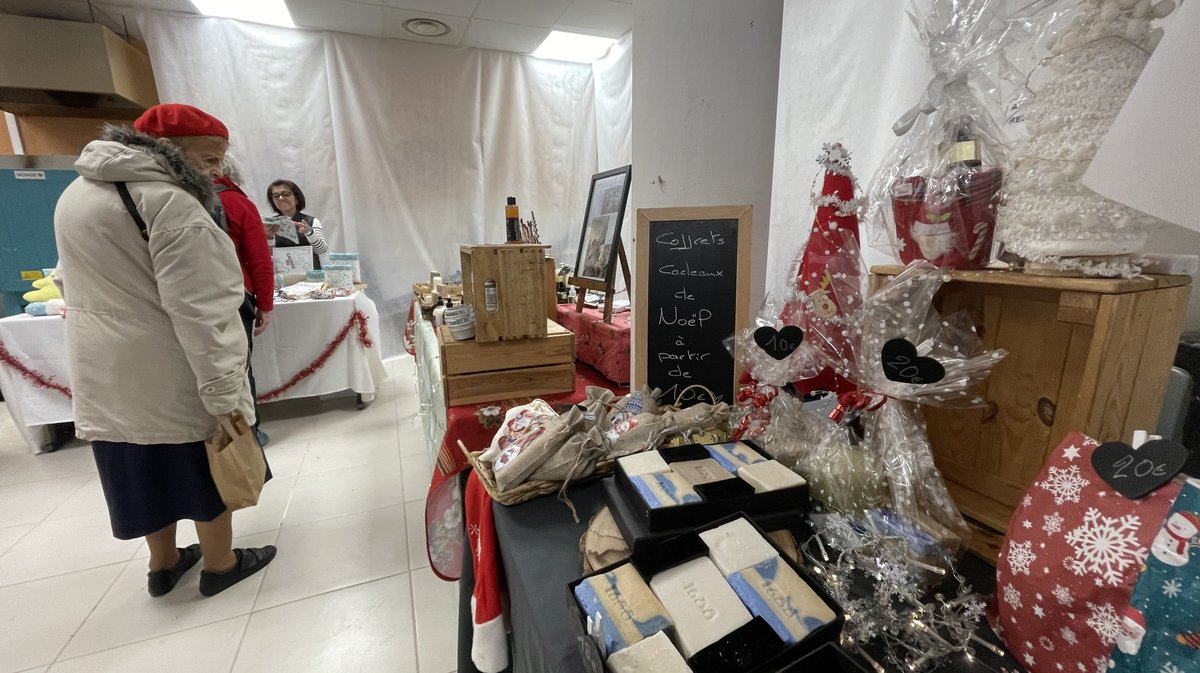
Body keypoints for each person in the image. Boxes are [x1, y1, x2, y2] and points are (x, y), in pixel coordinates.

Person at [53, 103, 276, 598]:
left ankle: (164, 562)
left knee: (139, 463)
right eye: (208, 158)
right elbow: (203, 310)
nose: (216, 170)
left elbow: (68, 282)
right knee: (201, 460)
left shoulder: (75, 193)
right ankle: (221, 563)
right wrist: (223, 396)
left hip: (105, 367)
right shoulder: (170, 202)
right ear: (169, 152)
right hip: (169, 364)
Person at [217, 152, 273, 447]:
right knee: (240, 366)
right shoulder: (237, 202)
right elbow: (259, 260)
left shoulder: (170, 197)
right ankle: (249, 432)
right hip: (235, 295)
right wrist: (265, 304)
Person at [266, 179, 327, 269]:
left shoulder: (312, 221)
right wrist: (269, 237)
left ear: (297, 198)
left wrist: (309, 232)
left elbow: (321, 250)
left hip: (311, 278)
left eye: (286, 194)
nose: (280, 198)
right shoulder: (269, 224)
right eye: (275, 196)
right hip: (283, 279)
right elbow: (268, 256)